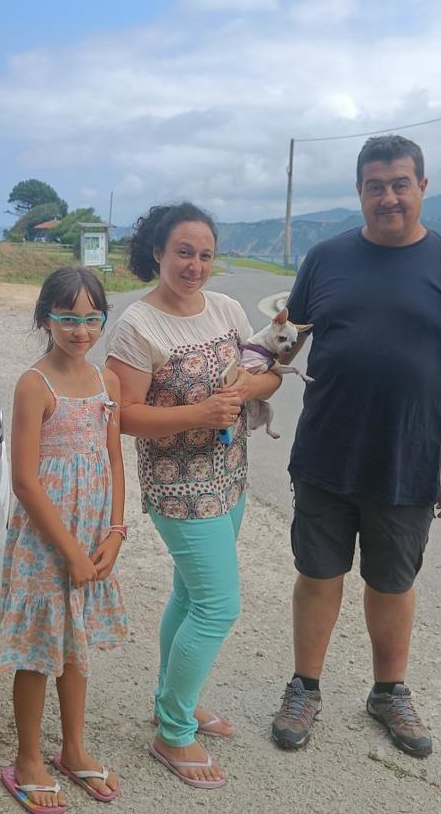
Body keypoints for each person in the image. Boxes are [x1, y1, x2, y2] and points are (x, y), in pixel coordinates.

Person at [271, 134, 441, 759]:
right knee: (318, 575)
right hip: (324, 454)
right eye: (375, 185)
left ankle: (388, 692)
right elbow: (284, 342)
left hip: (407, 460)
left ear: (423, 187)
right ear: (360, 192)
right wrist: (243, 378)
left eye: (401, 183)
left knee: (392, 582)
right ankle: (305, 686)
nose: (388, 196)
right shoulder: (323, 259)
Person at [105, 203, 282, 789]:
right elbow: (124, 417)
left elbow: (269, 369)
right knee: (217, 607)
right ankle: (172, 733)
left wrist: (248, 385)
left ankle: (172, 699)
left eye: (205, 254)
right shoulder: (137, 327)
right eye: (184, 252)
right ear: (156, 252)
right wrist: (200, 412)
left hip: (230, 474)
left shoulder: (228, 308)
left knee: (188, 597)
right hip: (177, 486)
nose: (195, 265)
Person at [0, 266, 129, 813]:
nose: (81, 330)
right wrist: (69, 549)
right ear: (45, 319)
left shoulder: (108, 382)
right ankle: (28, 757)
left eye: (92, 318)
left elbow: (115, 458)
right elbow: (25, 479)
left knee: (76, 646)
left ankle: (73, 749)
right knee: (36, 650)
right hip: (45, 541)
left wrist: (115, 532)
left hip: (93, 531)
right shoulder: (35, 384)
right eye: (68, 318)